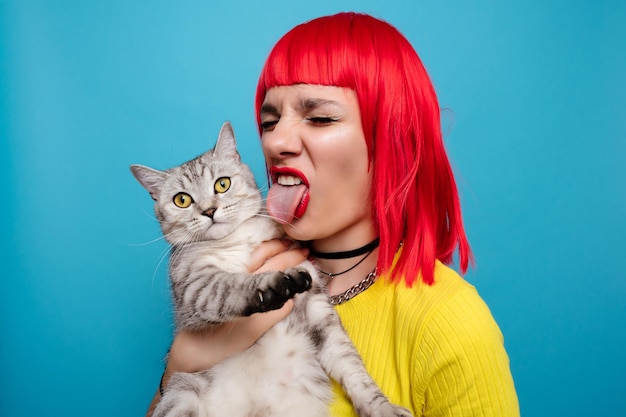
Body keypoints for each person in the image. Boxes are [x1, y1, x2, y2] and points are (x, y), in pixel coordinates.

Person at [146, 12, 519, 417]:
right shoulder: (242, 258)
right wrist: (181, 363)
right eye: (269, 121)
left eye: (320, 117)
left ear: (390, 141)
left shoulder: (448, 321)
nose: (277, 142)